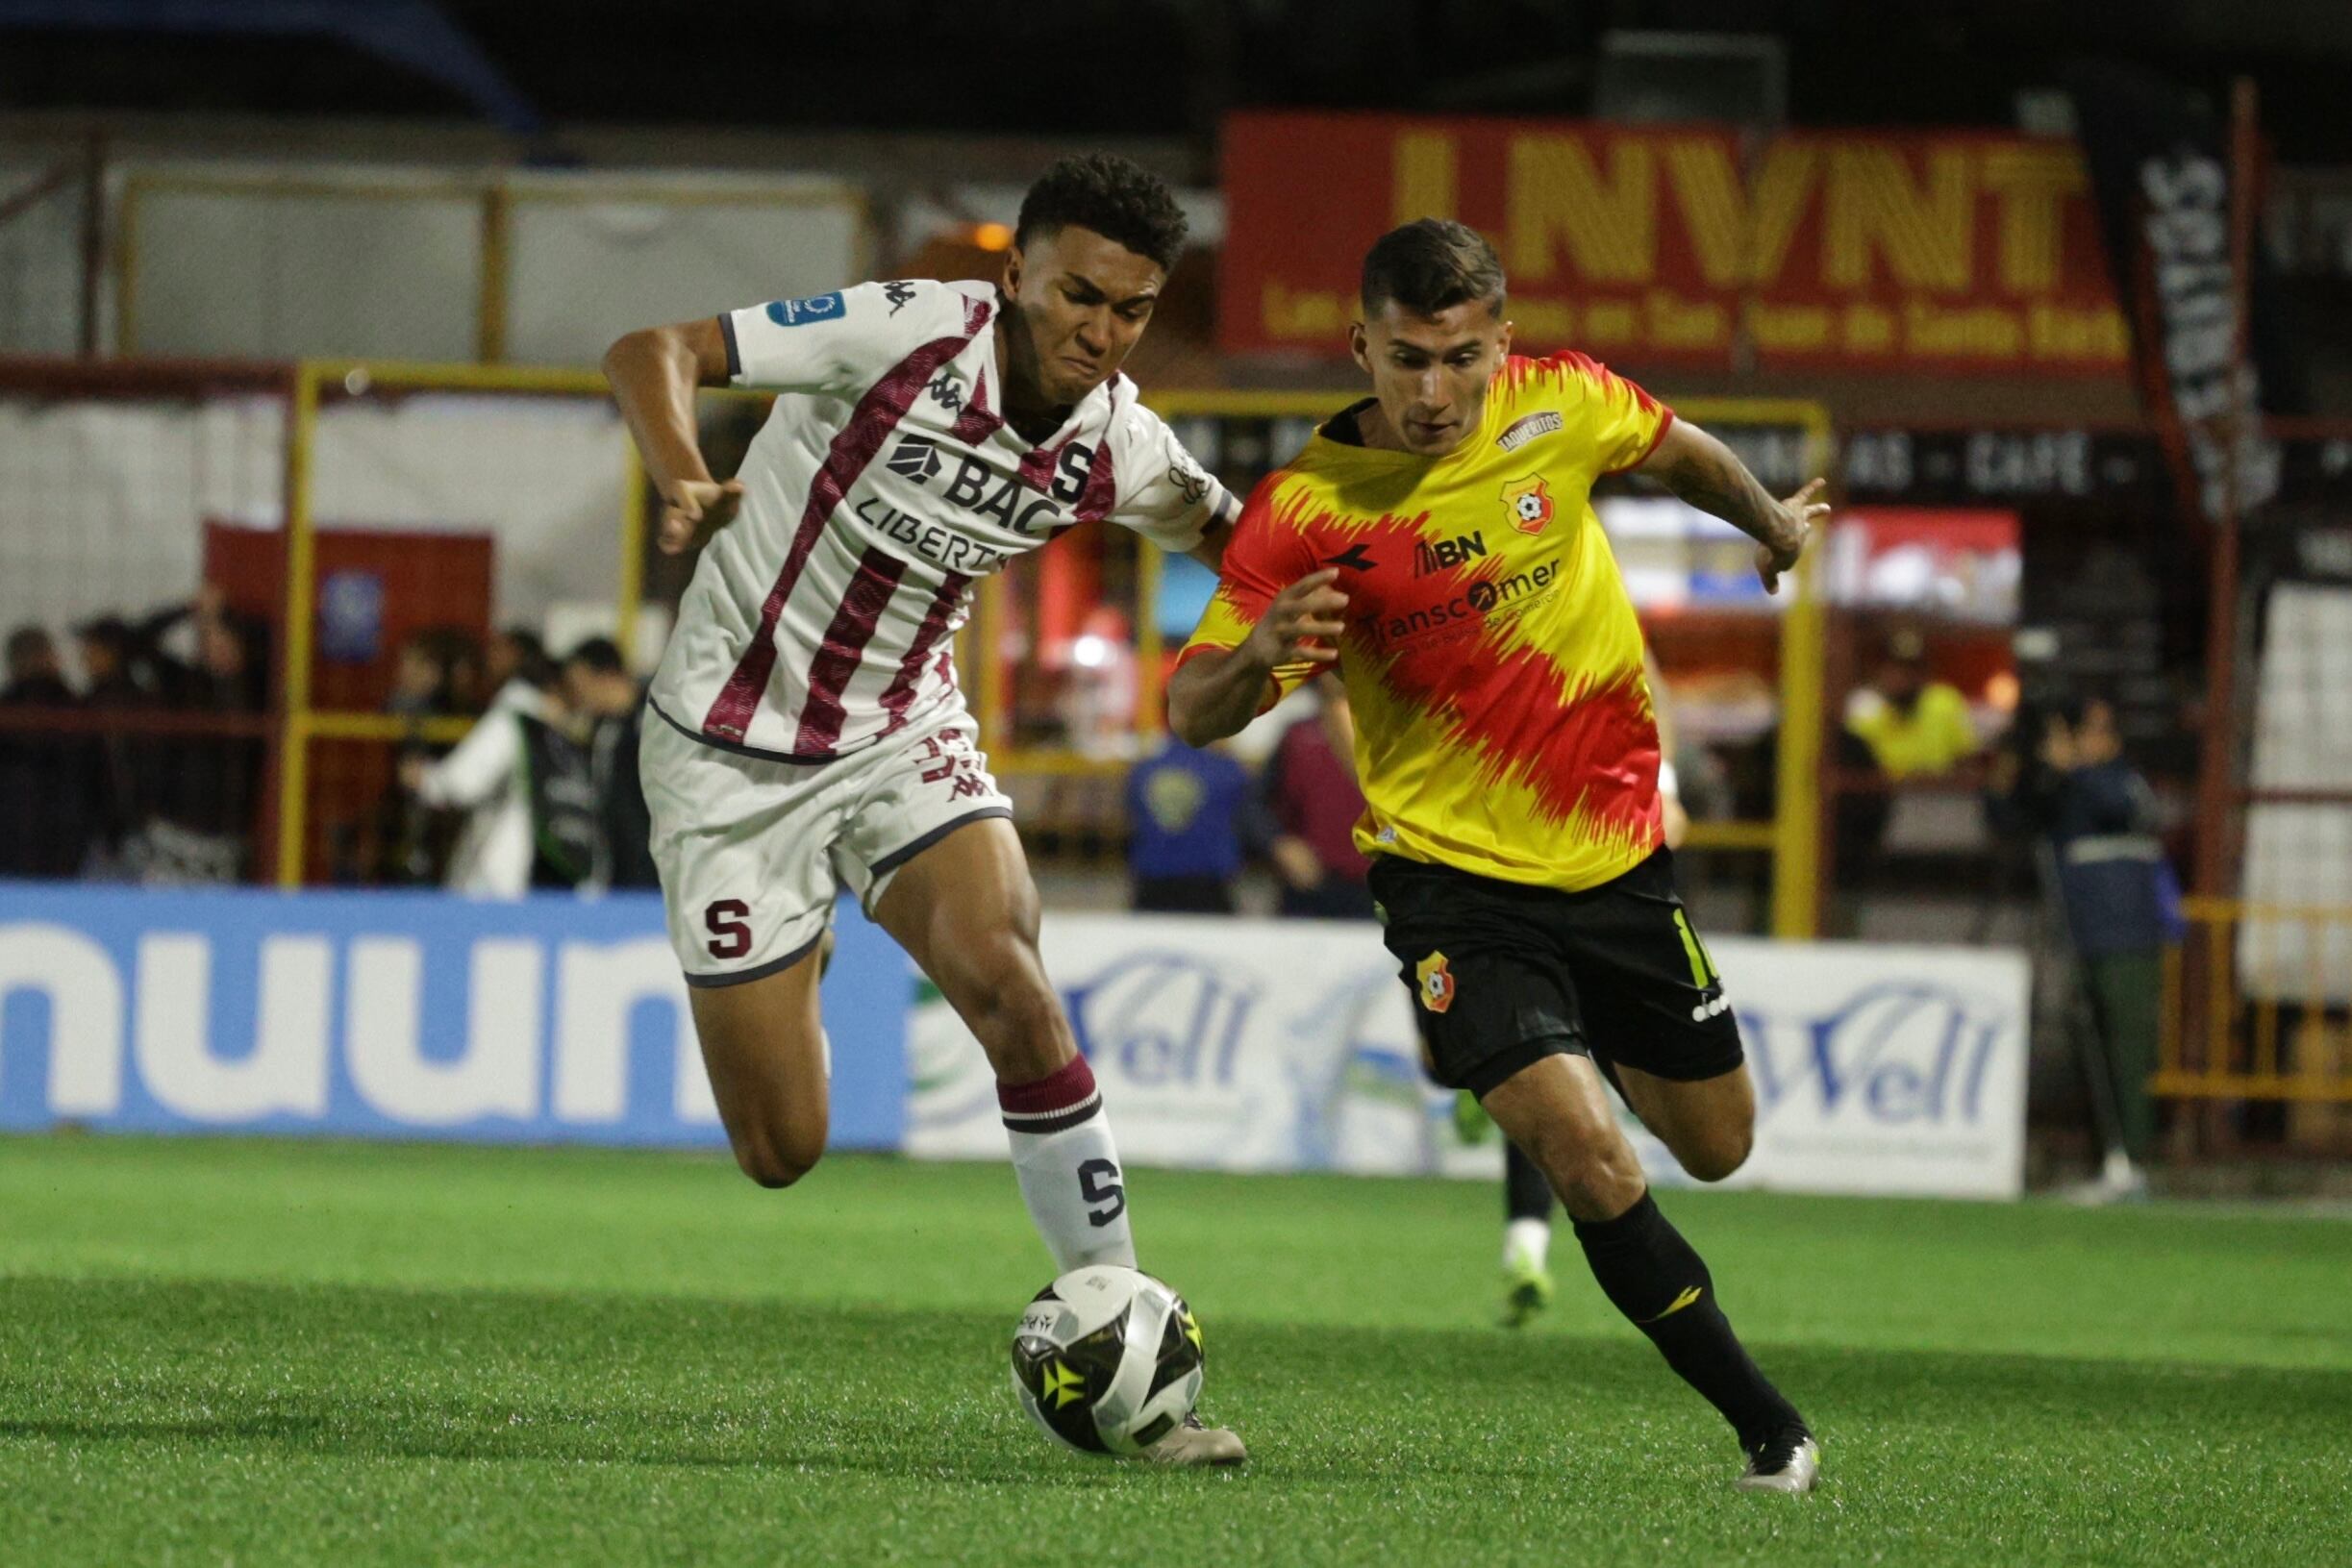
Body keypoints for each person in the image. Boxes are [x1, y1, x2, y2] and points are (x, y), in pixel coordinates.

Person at [602, 155, 1243, 1465]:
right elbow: (650, 343)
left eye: (1127, 310)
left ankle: (1125, 1344)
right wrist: (680, 469)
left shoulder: (1116, 439)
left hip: (901, 736)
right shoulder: (902, 333)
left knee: (1014, 984)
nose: (1097, 330)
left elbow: (1243, 544)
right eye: (1076, 294)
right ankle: (800, 931)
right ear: (1015, 272)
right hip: (728, 759)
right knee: (782, 1146)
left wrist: (1333, 602)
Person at [1167, 219, 1826, 1493]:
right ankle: (1768, 1426)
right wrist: (1253, 660)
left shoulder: (1564, 403)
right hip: (1452, 887)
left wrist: (1771, 526)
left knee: (1719, 1142)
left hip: (1619, 864)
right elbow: (1188, 706)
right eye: (1406, 358)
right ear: (1359, 345)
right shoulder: (1302, 510)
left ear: (1499, 343)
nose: (1432, 391)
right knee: (1592, 1159)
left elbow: (1675, 445)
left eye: (1459, 357)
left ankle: (1563, 1040)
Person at [1488, 645, 1688, 1327]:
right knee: (1543, 1066)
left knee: (1558, 1075)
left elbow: (1645, 686)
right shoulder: (1473, 611)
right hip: (1501, 874)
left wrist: (1667, 790)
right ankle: (1528, 1241)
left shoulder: (1584, 602)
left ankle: (1528, 1241)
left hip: (1604, 873)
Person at [2010, 693, 2176, 1201]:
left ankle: (2134, 1161)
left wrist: (2072, 772)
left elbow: (2124, 809)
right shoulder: (2060, 787)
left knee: (2128, 1047)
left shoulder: (2122, 780)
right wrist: (2020, 770)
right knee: (2090, 1050)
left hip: (2127, 937)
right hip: (2081, 936)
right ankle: (2106, 1159)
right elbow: (2013, 818)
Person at [401, 634, 596, 895]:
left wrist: (425, 778)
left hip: (503, 875)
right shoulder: (571, 733)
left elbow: (462, 782)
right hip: (563, 874)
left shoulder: (514, 721)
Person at [1261, 673, 1375, 919]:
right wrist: (1280, 843)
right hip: (1312, 889)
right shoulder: (1297, 736)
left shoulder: (1400, 735)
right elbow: (1255, 807)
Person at [562, 635, 660, 891]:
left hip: (652, 872)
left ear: (605, 676)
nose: (577, 696)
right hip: (615, 872)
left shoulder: (654, 722)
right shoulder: (603, 729)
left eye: (578, 685)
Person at [0, 626, 94, 879]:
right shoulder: (79, 710)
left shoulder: (7, 710)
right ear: (49, 657)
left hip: (10, 834)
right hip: (67, 835)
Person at [1123, 731, 1252, 913]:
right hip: (1210, 889)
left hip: (1151, 886)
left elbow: (1132, 818)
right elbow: (1248, 818)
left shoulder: (1142, 771)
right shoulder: (1228, 771)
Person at [1845, 627, 1976, 780]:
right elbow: (1857, 764)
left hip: (1938, 791)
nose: (1903, 678)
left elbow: (1966, 757)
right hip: (1886, 795)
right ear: (1881, 671)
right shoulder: (1866, 707)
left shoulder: (1944, 701)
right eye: (1895, 668)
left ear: (1923, 672)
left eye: (1911, 669)